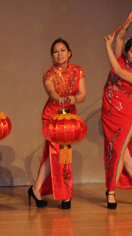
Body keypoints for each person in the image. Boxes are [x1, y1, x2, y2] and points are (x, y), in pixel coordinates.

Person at [28, 38, 86, 210]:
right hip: (53, 117)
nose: (59, 53)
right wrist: (61, 99)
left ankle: (36, 188)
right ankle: (65, 194)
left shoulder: (78, 70)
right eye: (55, 51)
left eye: (62, 50)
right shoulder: (49, 74)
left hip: (69, 117)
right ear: (52, 56)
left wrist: (73, 99)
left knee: (53, 154)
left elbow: (83, 94)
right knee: (59, 153)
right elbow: (51, 92)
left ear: (69, 53)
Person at [102, 9, 132, 209]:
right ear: (127, 53)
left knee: (117, 152)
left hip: (124, 115)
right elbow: (120, 37)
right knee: (124, 155)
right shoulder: (121, 58)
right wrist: (129, 22)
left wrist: (107, 48)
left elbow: (117, 71)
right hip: (108, 113)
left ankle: (111, 192)